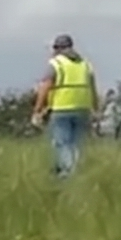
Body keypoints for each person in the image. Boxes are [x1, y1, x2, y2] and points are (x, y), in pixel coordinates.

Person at [31, 34, 99, 179]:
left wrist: (37, 110)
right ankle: (68, 170)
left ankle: (67, 174)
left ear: (57, 48)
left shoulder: (56, 64)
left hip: (62, 108)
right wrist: (96, 108)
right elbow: (93, 88)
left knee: (61, 143)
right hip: (83, 108)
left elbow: (45, 87)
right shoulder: (85, 64)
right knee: (76, 143)